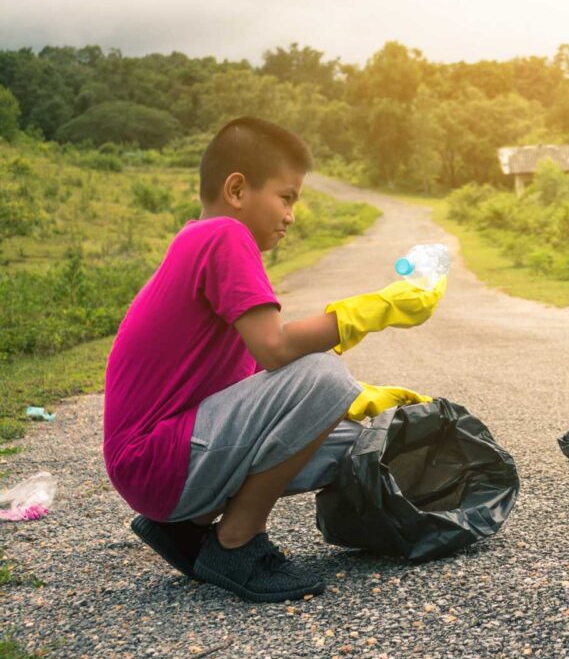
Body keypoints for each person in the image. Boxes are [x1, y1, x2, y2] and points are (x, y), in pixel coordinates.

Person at [103, 116, 443, 602]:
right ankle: (236, 542)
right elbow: (277, 348)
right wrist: (377, 308)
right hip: (158, 460)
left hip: (159, 465)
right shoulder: (223, 235)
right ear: (237, 189)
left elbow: (258, 372)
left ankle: (187, 527)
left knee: (356, 439)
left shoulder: (197, 240)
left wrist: (360, 400)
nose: (290, 215)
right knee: (325, 375)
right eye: (286, 198)